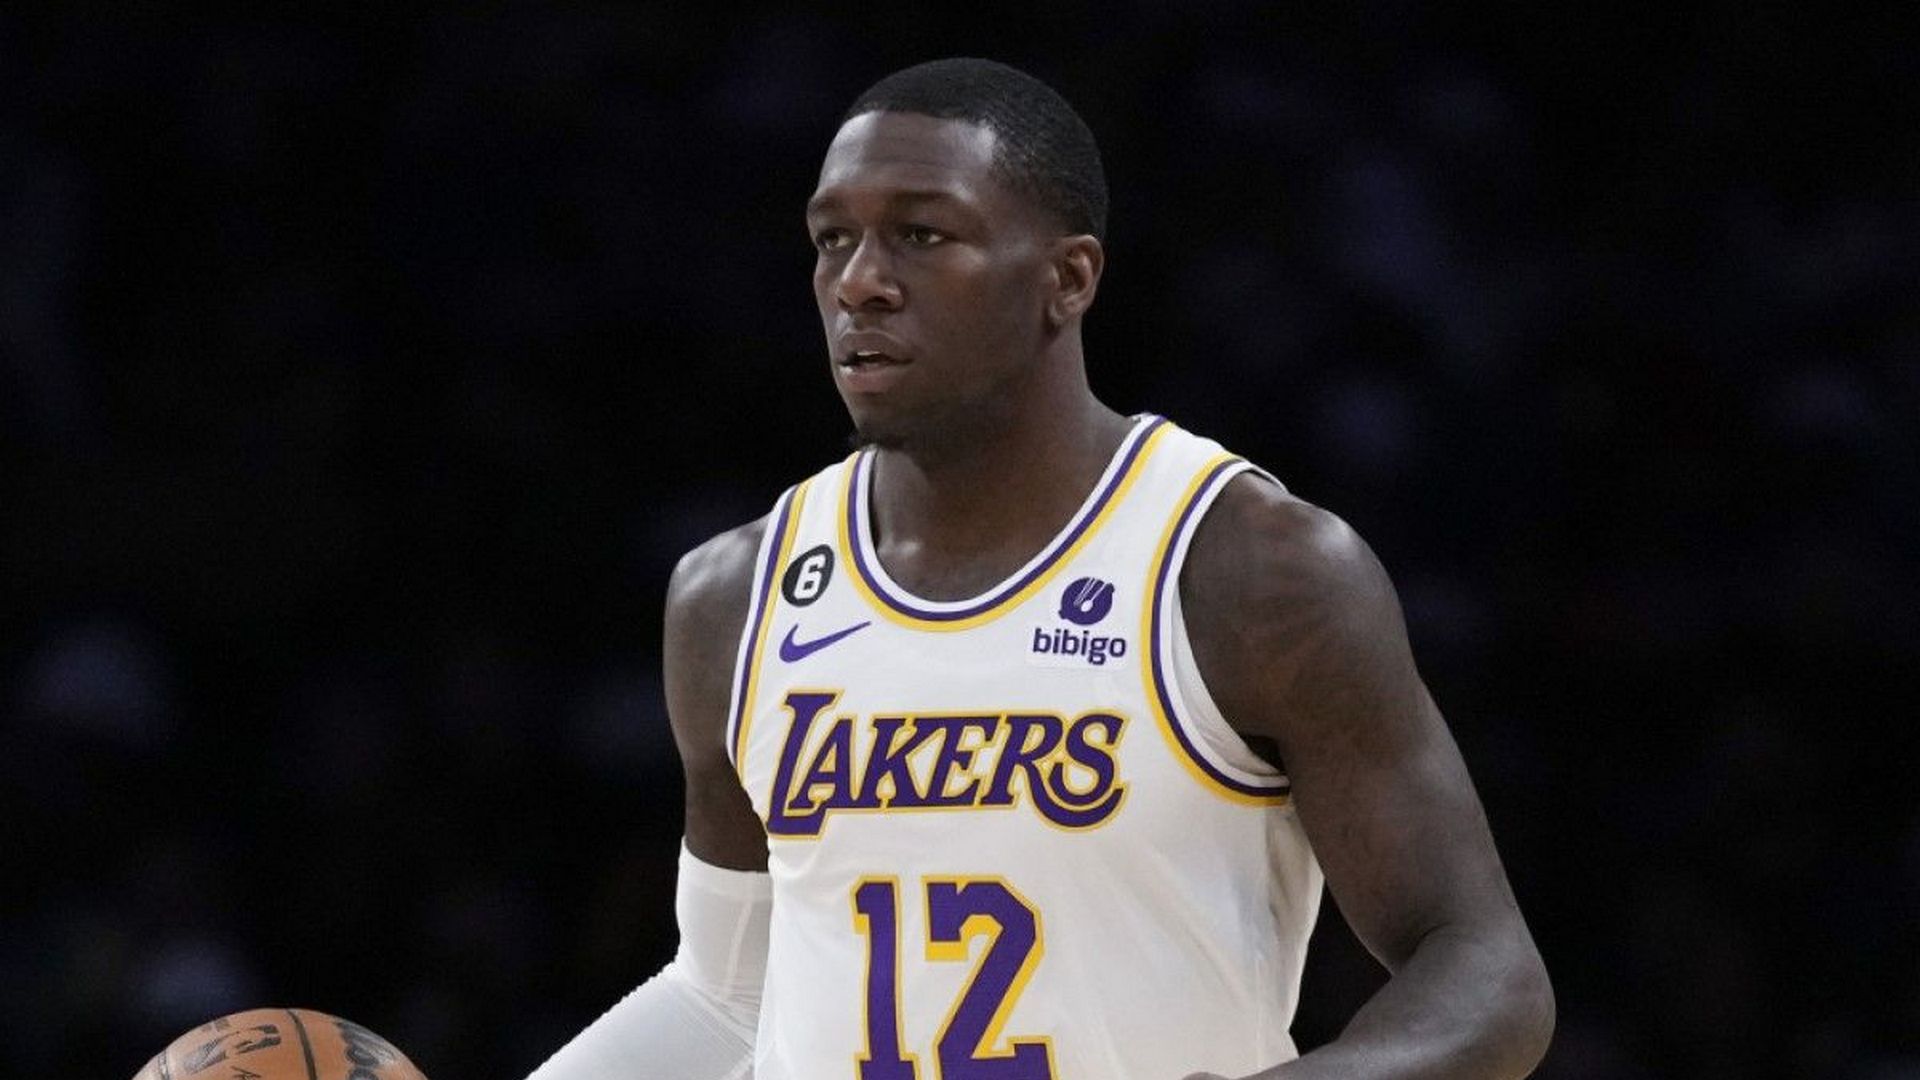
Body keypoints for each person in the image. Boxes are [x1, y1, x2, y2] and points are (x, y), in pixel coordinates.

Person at [529, 57, 1554, 1080]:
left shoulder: (1248, 572)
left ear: (1068, 279)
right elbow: (723, 1000)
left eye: (921, 235)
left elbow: (1488, 977)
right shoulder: (735, 598)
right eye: (832, 238)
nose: (858, 281)